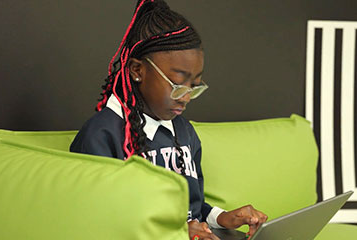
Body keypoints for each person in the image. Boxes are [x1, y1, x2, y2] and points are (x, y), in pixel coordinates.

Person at [70, 1, 267, 239]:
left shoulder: (183, 131)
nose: (186, 98)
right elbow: (99, 220)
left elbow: (191, 210)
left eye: (194, 87)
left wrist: (221, 218)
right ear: (137, 70)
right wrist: (174, 232)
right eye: (177, 85)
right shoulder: (103, 134)